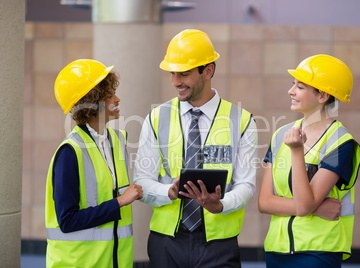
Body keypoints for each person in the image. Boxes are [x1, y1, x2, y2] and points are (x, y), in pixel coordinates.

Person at [133, 29, 258, 267]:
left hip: (220, 244)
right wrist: (167, 192)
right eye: (172, 73)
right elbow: (142, 181)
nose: (175, 81)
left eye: (184, 74)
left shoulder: (241, 121)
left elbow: (246, 185)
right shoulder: (156, 118)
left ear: (208, 71)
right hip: (166, 243)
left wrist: (220, 205)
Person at [258, 54, 360, 267]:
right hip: (276, 252)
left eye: (300, 87)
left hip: (317, 253)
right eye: (293, 85)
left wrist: (297, 152)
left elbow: (304, 205)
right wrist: (318, 208)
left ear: (322, 95)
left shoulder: (341, 143)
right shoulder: (280, 135)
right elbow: (264, 202)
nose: (291, 91)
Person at [45, 59, 143, 268]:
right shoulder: (69, 152)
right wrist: (119, 202)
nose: (117, 99)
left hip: (115, 262)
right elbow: (68, 220)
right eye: (109, 96)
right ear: (91, 104)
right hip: (80, 263)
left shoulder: (117, 141)